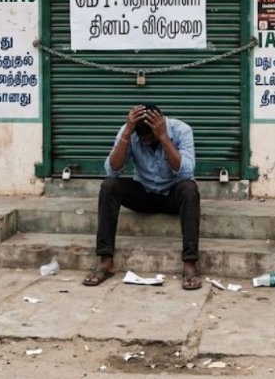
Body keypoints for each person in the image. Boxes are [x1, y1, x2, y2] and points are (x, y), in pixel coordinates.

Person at [84, 104, 201, 290]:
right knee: (109, 186)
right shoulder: (129, 131)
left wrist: (163, 138)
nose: (147, 143)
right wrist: (127, 133)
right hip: (144, 194)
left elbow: (186, 173)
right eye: (143, 140)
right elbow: (111, 171)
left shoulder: (182, 130)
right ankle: (106, 261)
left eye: (151, 138)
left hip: (172, 196)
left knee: (189, 188)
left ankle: (190, 264)